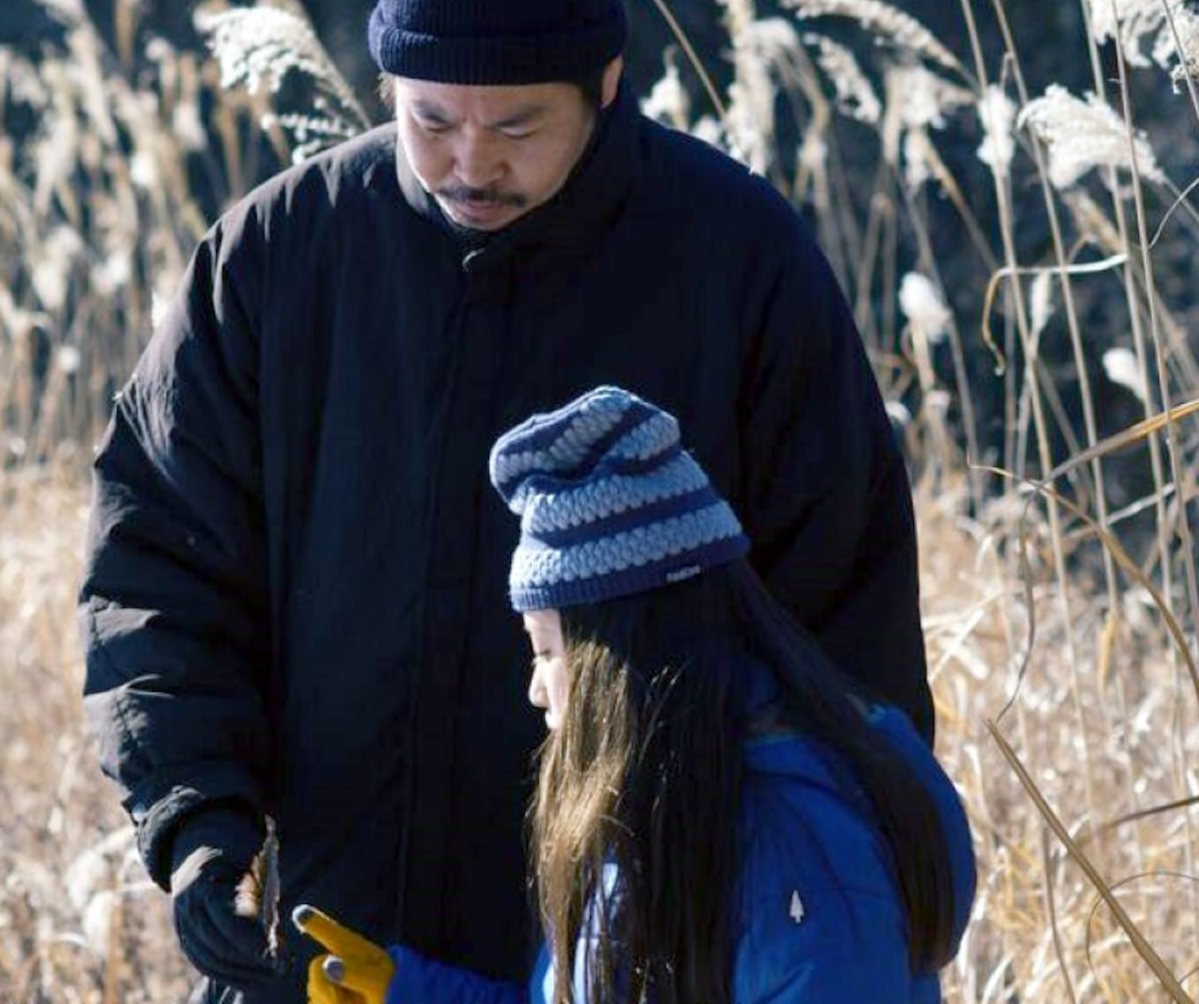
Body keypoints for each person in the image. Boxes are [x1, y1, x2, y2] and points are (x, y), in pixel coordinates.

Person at [78, 0, 934, 1000]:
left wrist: (814, 895)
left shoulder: (737, 261)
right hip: (326, 952)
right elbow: (158, 567)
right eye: (430, 121)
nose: (471, 163)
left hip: (633, 944)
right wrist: (198, 819)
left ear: (606, 85)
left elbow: (840, 636)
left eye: (518, 125)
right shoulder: (279, 257)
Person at [295, 387, 976, 1004]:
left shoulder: (800, 859)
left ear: (617, 659)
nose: (536, 687)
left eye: (548, 649)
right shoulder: (664, 814)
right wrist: (409, 998)